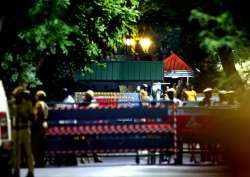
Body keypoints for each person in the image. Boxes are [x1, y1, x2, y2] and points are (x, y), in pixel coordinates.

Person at [11, 86, 35, 177]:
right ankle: (16, 171)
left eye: (17, 95)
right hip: (15, 130)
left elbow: (32, 117)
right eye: (15, 95)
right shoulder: (12, 104)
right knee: (15, 152)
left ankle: (31, 172)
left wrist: (24, 115)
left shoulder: (27, 103)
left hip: (24, 130)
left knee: (28, 151)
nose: (16, 97)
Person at [83, 90, 102, 163]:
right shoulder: (90, 104)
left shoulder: (85, 104)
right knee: (91, 141)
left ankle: (86, 156)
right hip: (89, 126)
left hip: (89, 125)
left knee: (89, 141)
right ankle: (94, 157)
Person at [31, 90, 48, 167]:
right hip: (44, 125)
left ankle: (38, 161)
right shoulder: (45, 104)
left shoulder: (39, 104)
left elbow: (38, 115)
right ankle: (41, 160)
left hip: (39, 126)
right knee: (42, 144)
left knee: (36, 144)